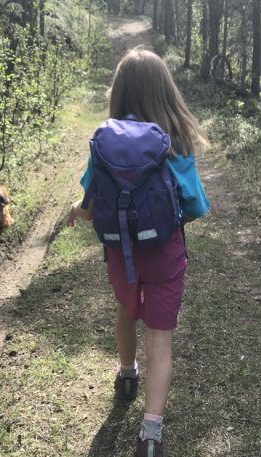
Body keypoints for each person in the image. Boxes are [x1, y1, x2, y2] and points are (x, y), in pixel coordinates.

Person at [67, 47, 210, 457]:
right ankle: (151, 434)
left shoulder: (105, 142)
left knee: (127, 311)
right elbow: (196, 207)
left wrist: (75, 211)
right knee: (161, 339)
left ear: (120, 92)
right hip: (165, 256)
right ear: (165, 92)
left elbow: (92, 208)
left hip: (120, 254)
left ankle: (126, 375)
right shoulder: (177, 144)